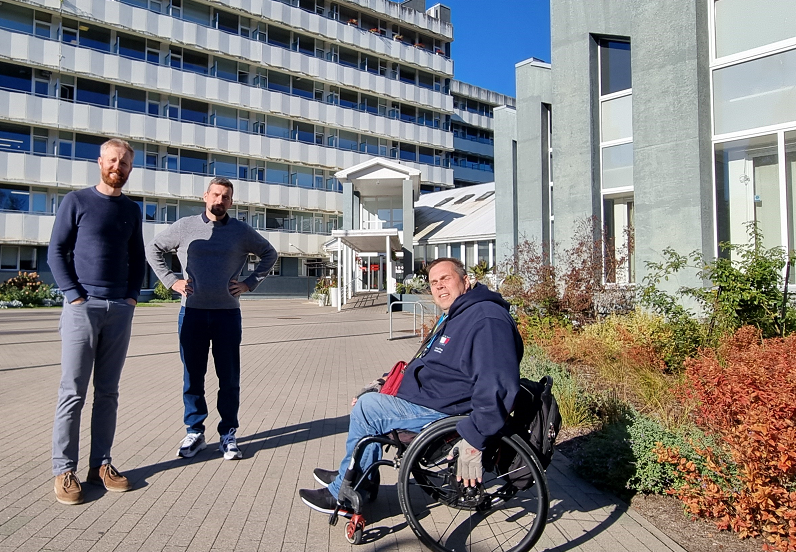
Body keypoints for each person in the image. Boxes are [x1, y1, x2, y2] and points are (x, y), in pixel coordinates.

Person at [297, 257, 523, 512]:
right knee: (369, 400)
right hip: (429, 399)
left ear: (466, 281)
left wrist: (475, 436)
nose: (439, 287)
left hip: (445, 410)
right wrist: (384, 382)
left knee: (368, 409)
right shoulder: (459, 314)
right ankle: (357, 478)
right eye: (433, 282)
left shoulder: (486, 318)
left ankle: (347, 493)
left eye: (445, 279)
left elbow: (498, 383)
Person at [146, 177, 277, 460]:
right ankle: (194, 431)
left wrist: (249, 283)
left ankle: (228, 433)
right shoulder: (184, 226)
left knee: (228, 378)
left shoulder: (241, 231)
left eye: (226, 197)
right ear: (205, 196)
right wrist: (171, 281)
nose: (220, 200)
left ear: (231, 201)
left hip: (227, 315)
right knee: (192, 376)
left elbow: (270, 253)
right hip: (191, 313)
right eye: (216, 194)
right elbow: (153, 248)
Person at [47, 138, 146, 505]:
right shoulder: (76, 201)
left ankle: (101, 465)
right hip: (82, 307)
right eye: (112, 160)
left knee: (108, 392)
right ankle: (64, 470)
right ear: (100, 161)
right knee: (73, 392)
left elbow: (138, 256)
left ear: (130, 169)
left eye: (124, 163)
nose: (117, 167)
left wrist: (131, 297)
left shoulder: (132, 210)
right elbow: (56, 250)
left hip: (119, 308)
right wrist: (73, 294)